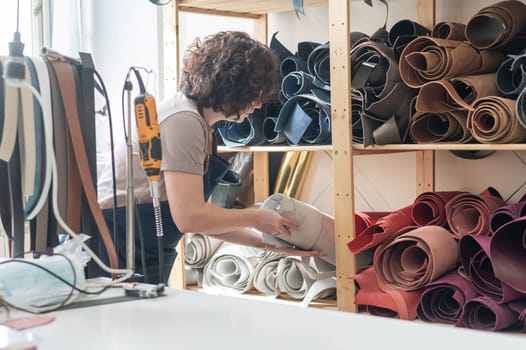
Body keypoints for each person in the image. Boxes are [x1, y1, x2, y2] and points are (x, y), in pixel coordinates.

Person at [97, 31, 321, 284]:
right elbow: (191, 217)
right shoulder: (184, 121)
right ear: (234, 86)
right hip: (121, 244)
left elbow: (201, 218)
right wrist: (256, 217)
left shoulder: (196, 120)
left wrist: (265, 242)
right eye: (256, 93)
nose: (259, 104)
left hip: (141, 243)